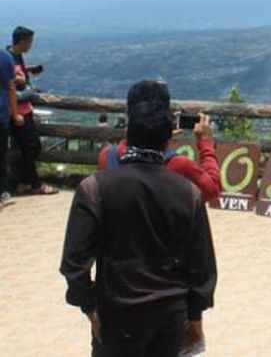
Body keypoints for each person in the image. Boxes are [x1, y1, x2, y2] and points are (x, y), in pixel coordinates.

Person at [60, 99, 217, 357]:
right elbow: (202, 265)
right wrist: (194, 316)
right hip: (170, 315)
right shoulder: (188, 192)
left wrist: (89, 308)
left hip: (116, 313)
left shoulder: (94, 187)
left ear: (128, 134)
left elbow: (74, 262)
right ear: (168, 139)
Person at [97, 80, 221, 203]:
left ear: (127, 111)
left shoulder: (108, 156)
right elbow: (212, 191)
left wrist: (156, 134)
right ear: (166, 113)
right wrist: (206, 143)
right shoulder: (179, 166)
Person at [7, 25, 57, 195]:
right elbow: (11, 85)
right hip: (18, 111)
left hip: (22, 110)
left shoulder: (14, 55)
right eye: (30, 42)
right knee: (31, 146)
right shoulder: (10, 59)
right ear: (22, 41)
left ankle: (24, 183)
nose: (31, 45)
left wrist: (29, 70)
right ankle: (34, 184)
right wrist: (26, 87)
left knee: (29, 147)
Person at [0, 45, 23, 207]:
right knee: (1, 155)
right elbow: (11, 88)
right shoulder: (5, 57)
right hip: (1, 116)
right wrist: (15, 114)